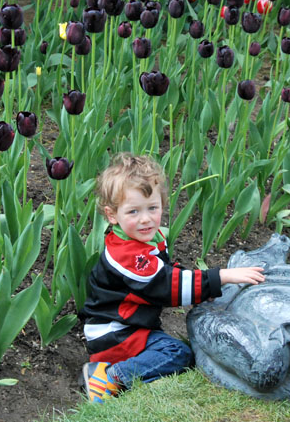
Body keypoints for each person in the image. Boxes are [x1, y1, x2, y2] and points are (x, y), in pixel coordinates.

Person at [80, 153, 265, 402]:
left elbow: (168, 270)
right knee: (177, 353)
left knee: (174, 348)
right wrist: (219, 277)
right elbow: (166, 285)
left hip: (130, 327)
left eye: (152, 208)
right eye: (133, 211)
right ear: (112, 215)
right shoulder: (127, 256)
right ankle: (108, 378)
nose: (145, 219)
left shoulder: (145, 239)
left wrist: (204, 290)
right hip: (115, 333)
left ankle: (115, 370)